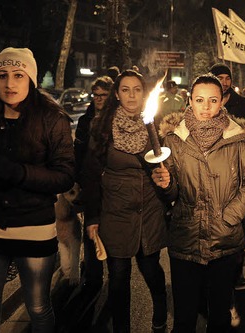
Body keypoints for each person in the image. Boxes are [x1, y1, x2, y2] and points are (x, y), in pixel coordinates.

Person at [0, 47, 75, 332]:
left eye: (18, 75)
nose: (10, 84)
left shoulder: (53, 118)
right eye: (2, 75)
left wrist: (18, 172)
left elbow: (64, 176)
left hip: (35, 225)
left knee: (37, 308)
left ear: (30, 79)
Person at [153, 73, 245, 332]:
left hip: (224, 241)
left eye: (212, 100)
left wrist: (230, 216)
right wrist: (166, 184)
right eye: (200, 99)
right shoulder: (174, 140)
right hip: (185, 240)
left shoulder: (236, 139)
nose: (206, 107)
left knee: (220, 318)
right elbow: (170, 194)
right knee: (184, 317)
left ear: (222, 102)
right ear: (189, 100)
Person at [81, 69, 169, 333]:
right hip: (116, 212)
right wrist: (93, 217)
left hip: (149, 209)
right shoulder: (102, 126)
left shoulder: (156, 124)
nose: (132, 95)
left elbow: (169, 170)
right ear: (117, 94)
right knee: (118, 278)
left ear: (144, 93)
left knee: (151, 271)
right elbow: (90, 174)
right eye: (126, 90)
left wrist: (166, 179)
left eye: (137, 89)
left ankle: (160, 318)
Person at [73, 75, 113, 296]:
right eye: (95, 95)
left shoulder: (115, 119)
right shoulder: (85, 120)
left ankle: (112, 270)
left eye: (103, 95)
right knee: (90, 227)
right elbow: (78, 151)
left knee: (108, 227)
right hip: (89, 180)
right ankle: (93, 275)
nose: (98, 99)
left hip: (108, 181)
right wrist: (77, 177)